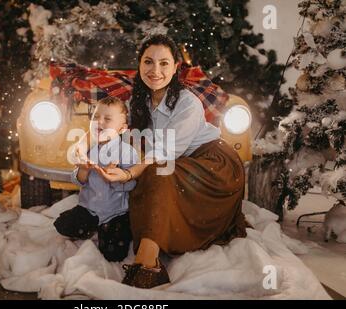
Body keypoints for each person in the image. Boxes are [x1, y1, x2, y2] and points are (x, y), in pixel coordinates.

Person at [92, 34, 248, 288]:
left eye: (164, 63)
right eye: (148, 62)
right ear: (139, 65)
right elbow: (132, 140)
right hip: (181, 164)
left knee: (156, 173)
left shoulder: (187, 102)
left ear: (176, 67)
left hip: (214, 165)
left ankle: (148, 263)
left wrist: (131, 172)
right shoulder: (138, 101)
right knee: (147, 178)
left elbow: (164, 153)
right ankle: (139, 241)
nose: (155, 70)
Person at [54, 96, 139, 262]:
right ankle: (91, 227)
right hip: (89, 208)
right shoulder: (88, 149)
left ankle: (108, 229)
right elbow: (79, 181)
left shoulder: (127, 152)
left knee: (114, 254)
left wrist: (116, 178)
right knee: (62, 225)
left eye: (107, 119)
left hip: (115, 212)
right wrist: (83, 169)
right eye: (95, 117)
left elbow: (132, 183)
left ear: (122, 129)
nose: (99, 122)